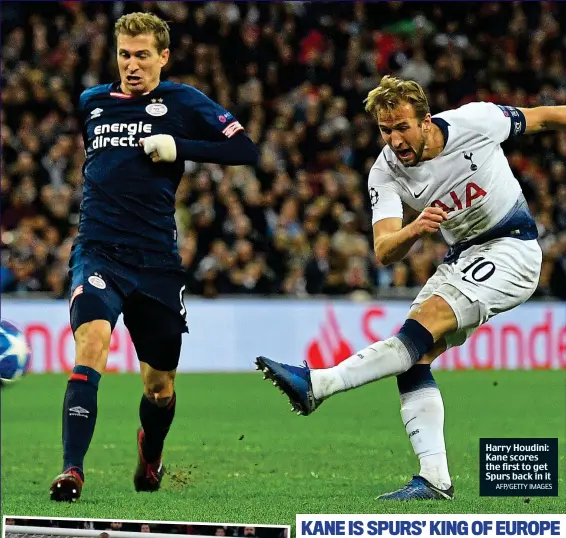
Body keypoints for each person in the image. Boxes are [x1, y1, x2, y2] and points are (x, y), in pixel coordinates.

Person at [257, 75, 566, 500]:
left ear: (425, 120)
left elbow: (542, 118)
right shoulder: (385, 174)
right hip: (464, 256)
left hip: (513, 247)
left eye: (403, 127)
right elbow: (384, 250)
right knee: (414, 357)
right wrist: (415, 229)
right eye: (386, 130)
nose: (395, 139)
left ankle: (320, 384)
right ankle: (435, 479)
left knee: (423, 326)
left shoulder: (475, 121)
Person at [49, 12, 258, 502]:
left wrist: (178, 146)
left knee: (159, 388)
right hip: (98, 251)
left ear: (163, 56)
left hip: (157, 265)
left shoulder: (185, 101)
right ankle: (72, 471)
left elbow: (245, 150)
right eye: (125, 54)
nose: (132, 64)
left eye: (143, 55)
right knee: (91, 345)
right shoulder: (92, 103)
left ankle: (150, 453)